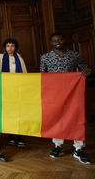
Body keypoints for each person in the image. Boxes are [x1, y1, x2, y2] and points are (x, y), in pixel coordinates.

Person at [40, 32, 92, 164]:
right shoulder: (45, 57)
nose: (58, 42)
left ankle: (78, 148)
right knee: (57, 118)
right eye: (55, 41)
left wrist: (87, 70)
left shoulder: (74, 55)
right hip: (54, 94)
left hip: (73, 93)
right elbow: (42, 75)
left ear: (64, 40)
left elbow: (83, 68)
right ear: (51, 43)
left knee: (76, 117)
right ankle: (58, 146)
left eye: (60, 40)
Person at [0, 38, 27, 148]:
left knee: (19, 112)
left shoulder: (19, 58)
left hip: (18, 89)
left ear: (15, 47)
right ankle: (11, 135)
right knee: (9, 112)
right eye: (8, 46)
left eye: (12, 46)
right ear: (5, 47)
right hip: (6, 89)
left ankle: (19, 136)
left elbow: (24, 73)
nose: (10, 48)